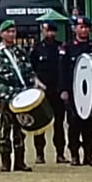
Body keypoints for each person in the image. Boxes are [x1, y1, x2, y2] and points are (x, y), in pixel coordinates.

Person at [0, 19, 34, 173]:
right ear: (1, 34)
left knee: (20, 130)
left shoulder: (20, 52)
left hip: (20, 97)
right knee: (5, 130)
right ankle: (5, 162)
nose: (11, 34)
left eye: (13, 31)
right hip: (4, 97)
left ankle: (20, 161)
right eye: (8, 31)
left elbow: (28, 72)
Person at [61, 16, 92, 166]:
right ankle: (74, 155)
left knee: (89, 126)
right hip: (74, 91)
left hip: (90, 92)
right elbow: (62, 70)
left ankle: (88, 155)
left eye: (86, 27)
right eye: (80, 27)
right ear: (75, 29)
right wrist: (64, 90)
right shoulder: (68, 47)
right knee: (74, 125)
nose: (83, 30)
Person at [29, 19, 66, 165]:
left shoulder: (60, 47)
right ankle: (39, 154)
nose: (48, 33)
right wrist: (36, 83)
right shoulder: (37, 48)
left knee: (59, 124)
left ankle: (60, 153)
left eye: (51, 30)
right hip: (42, 91)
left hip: (57, 91)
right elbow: (31, 69)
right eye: (46, 30)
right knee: (40, 123)